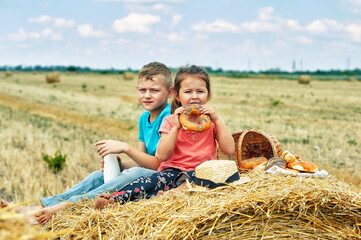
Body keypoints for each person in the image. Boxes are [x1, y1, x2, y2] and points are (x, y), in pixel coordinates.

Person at [1, 61, 173, 225]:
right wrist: (121, 164)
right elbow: (141, 158)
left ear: (170, 92)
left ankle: (61, 208)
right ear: (136, 90)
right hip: (146, 171)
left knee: (131, 173)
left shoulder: (169, 117)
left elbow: (157, 164)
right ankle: (41, 208)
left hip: (165, 177)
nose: (147, 95)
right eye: (142, 90)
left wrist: (126, 148)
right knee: (97, 176)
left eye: (154, 90)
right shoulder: (144, 118)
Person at [94, 65, 235, 209]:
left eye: (200, 91)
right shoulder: (170, 121)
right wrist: (176, 128)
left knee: (201, 181)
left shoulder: (213, 121)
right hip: (172, 170)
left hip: (202, 171)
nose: (194, 96)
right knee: (147, 182)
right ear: (177, 96)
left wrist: (217, 120)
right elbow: (162, 155)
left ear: (208, 95)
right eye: (188, 92)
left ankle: (171, 195)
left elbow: (229, 149)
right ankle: (113, 199)